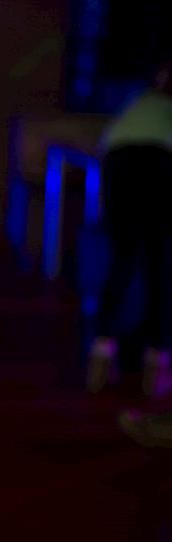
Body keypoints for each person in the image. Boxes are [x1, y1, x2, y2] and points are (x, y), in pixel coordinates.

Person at [86, 58, 172, 396]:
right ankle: (156, 362)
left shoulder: (138, 102)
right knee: (159, 263)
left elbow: (107, 141)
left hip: (119, 162)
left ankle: (102, 352)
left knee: (123, 258)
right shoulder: (156, 105)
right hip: (157, 161)